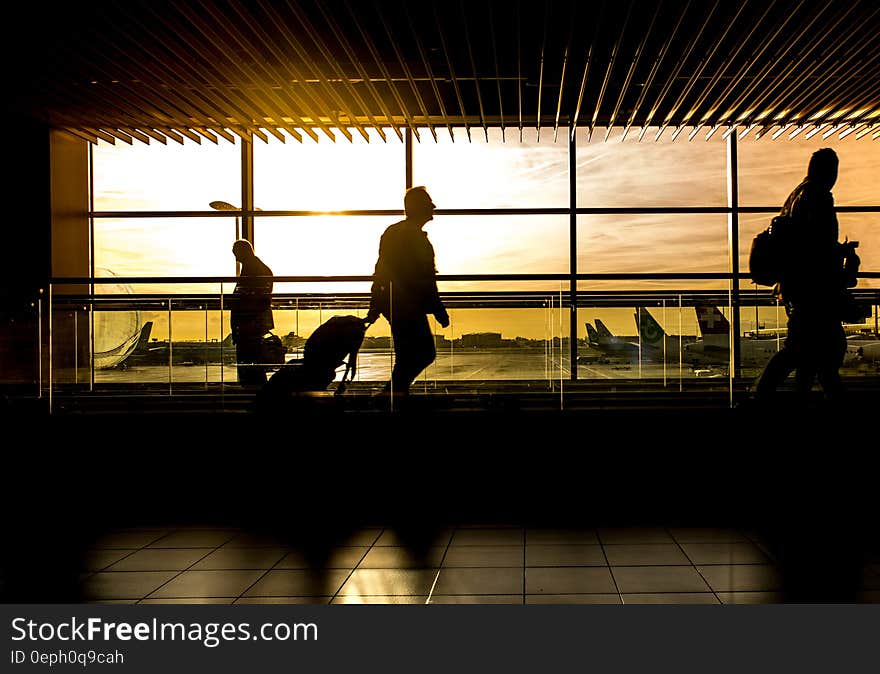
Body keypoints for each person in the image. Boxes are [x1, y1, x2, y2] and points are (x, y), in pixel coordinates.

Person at [754, 148, 860, 404]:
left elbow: (805, 244)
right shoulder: (818, 197)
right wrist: (843, 261)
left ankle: (772, 396)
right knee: (822, 351)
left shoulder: (796, 196)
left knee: (807, 352)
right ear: (830, 171)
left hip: (796, 288)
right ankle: (764, 396)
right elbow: (816, 248)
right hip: (814, 291)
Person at [366, 186, 449, 396]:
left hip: (395, 303)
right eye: (429, 202)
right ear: (418, 207)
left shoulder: (394, 232)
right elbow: (425, 278)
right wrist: (438, 309)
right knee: (423, 353)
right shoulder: (414, 237)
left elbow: (382, 270)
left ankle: (394, 395)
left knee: (409, 355)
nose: (434, 206)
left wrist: (375, 304)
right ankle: (392, 395)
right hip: (408, 305)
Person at [229, 239, 274, 386]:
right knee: (254, 364)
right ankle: (256, 394)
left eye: (236, 253)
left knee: (249, 364)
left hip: (248, 324)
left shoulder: (253, 270)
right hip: (252, 324)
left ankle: (252, 394)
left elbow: (252, 299)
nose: (235, 257)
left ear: (244, 251)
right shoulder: (259, 268)